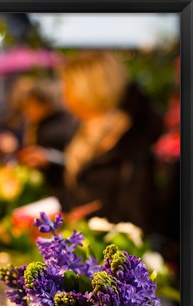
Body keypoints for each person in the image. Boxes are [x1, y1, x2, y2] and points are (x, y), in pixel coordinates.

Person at [59, 51, 163, 233]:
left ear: (86, 90)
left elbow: (136, 213)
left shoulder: (131, 139)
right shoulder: (84, 130)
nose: (64, 97)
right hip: (83, 238)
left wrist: (91, 221)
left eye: (68, 88)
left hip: (108, 248)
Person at [17, 79, 79, 200]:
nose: (27, 111)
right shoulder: (39, 124)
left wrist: (47, 157)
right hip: (49, 190)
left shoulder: (62, 125)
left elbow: (73, 160)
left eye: (30, 105)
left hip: (63, 191)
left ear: (44, 103)